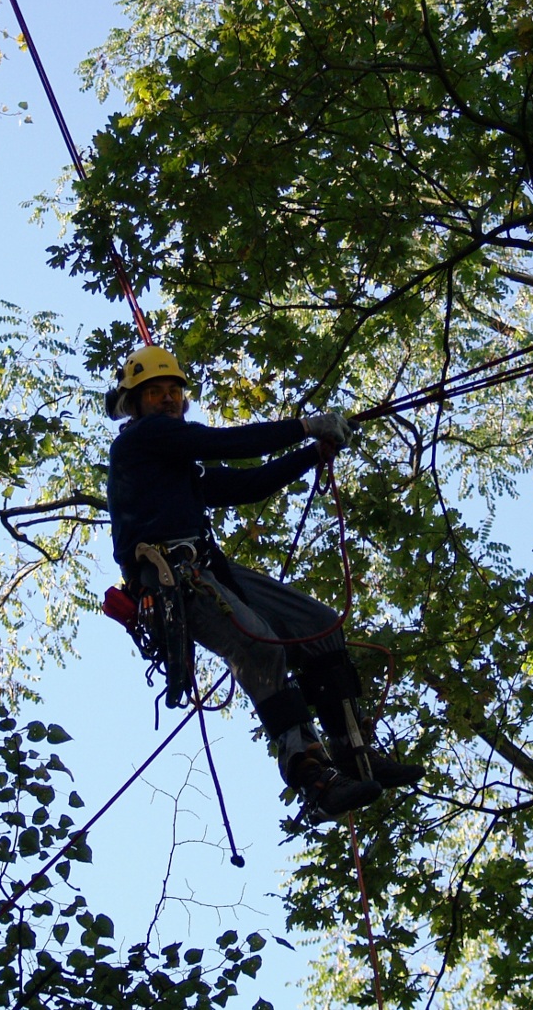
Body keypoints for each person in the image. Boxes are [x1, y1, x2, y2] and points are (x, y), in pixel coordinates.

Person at [105, 344, 423, 821]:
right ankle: (310, 773)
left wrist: (312, 454)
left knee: (318, 625)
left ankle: (352, 747)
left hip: (206, 566)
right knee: (260, 645)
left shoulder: (172, 464)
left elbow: (247, 484)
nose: (168, 399)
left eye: (174, 391)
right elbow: (227, 444)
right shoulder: (141, 441)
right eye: (155, 393)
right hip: (171, 577)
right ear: (135, 404)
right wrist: (304, 427)